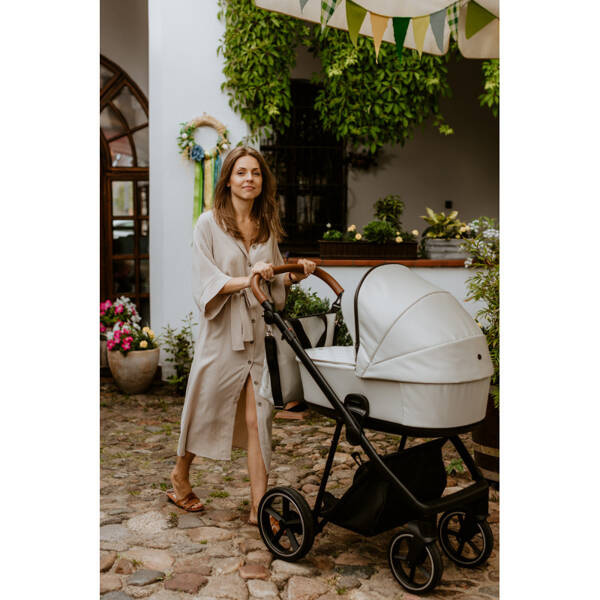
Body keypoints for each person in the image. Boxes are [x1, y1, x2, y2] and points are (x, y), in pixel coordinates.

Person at [167, 146, 316, 523]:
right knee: (204, 406)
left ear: (263, 181)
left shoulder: (266, 227)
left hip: (258, 336)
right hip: (222, 334)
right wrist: (249, 278)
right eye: (241, 172)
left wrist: (294, 274)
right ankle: (180, 476)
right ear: (228, 180)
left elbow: (273, 281)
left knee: (259, 418)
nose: (249, 178)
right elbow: (207, 281)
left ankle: (258, 507)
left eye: (256, 173)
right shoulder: (208, 224)